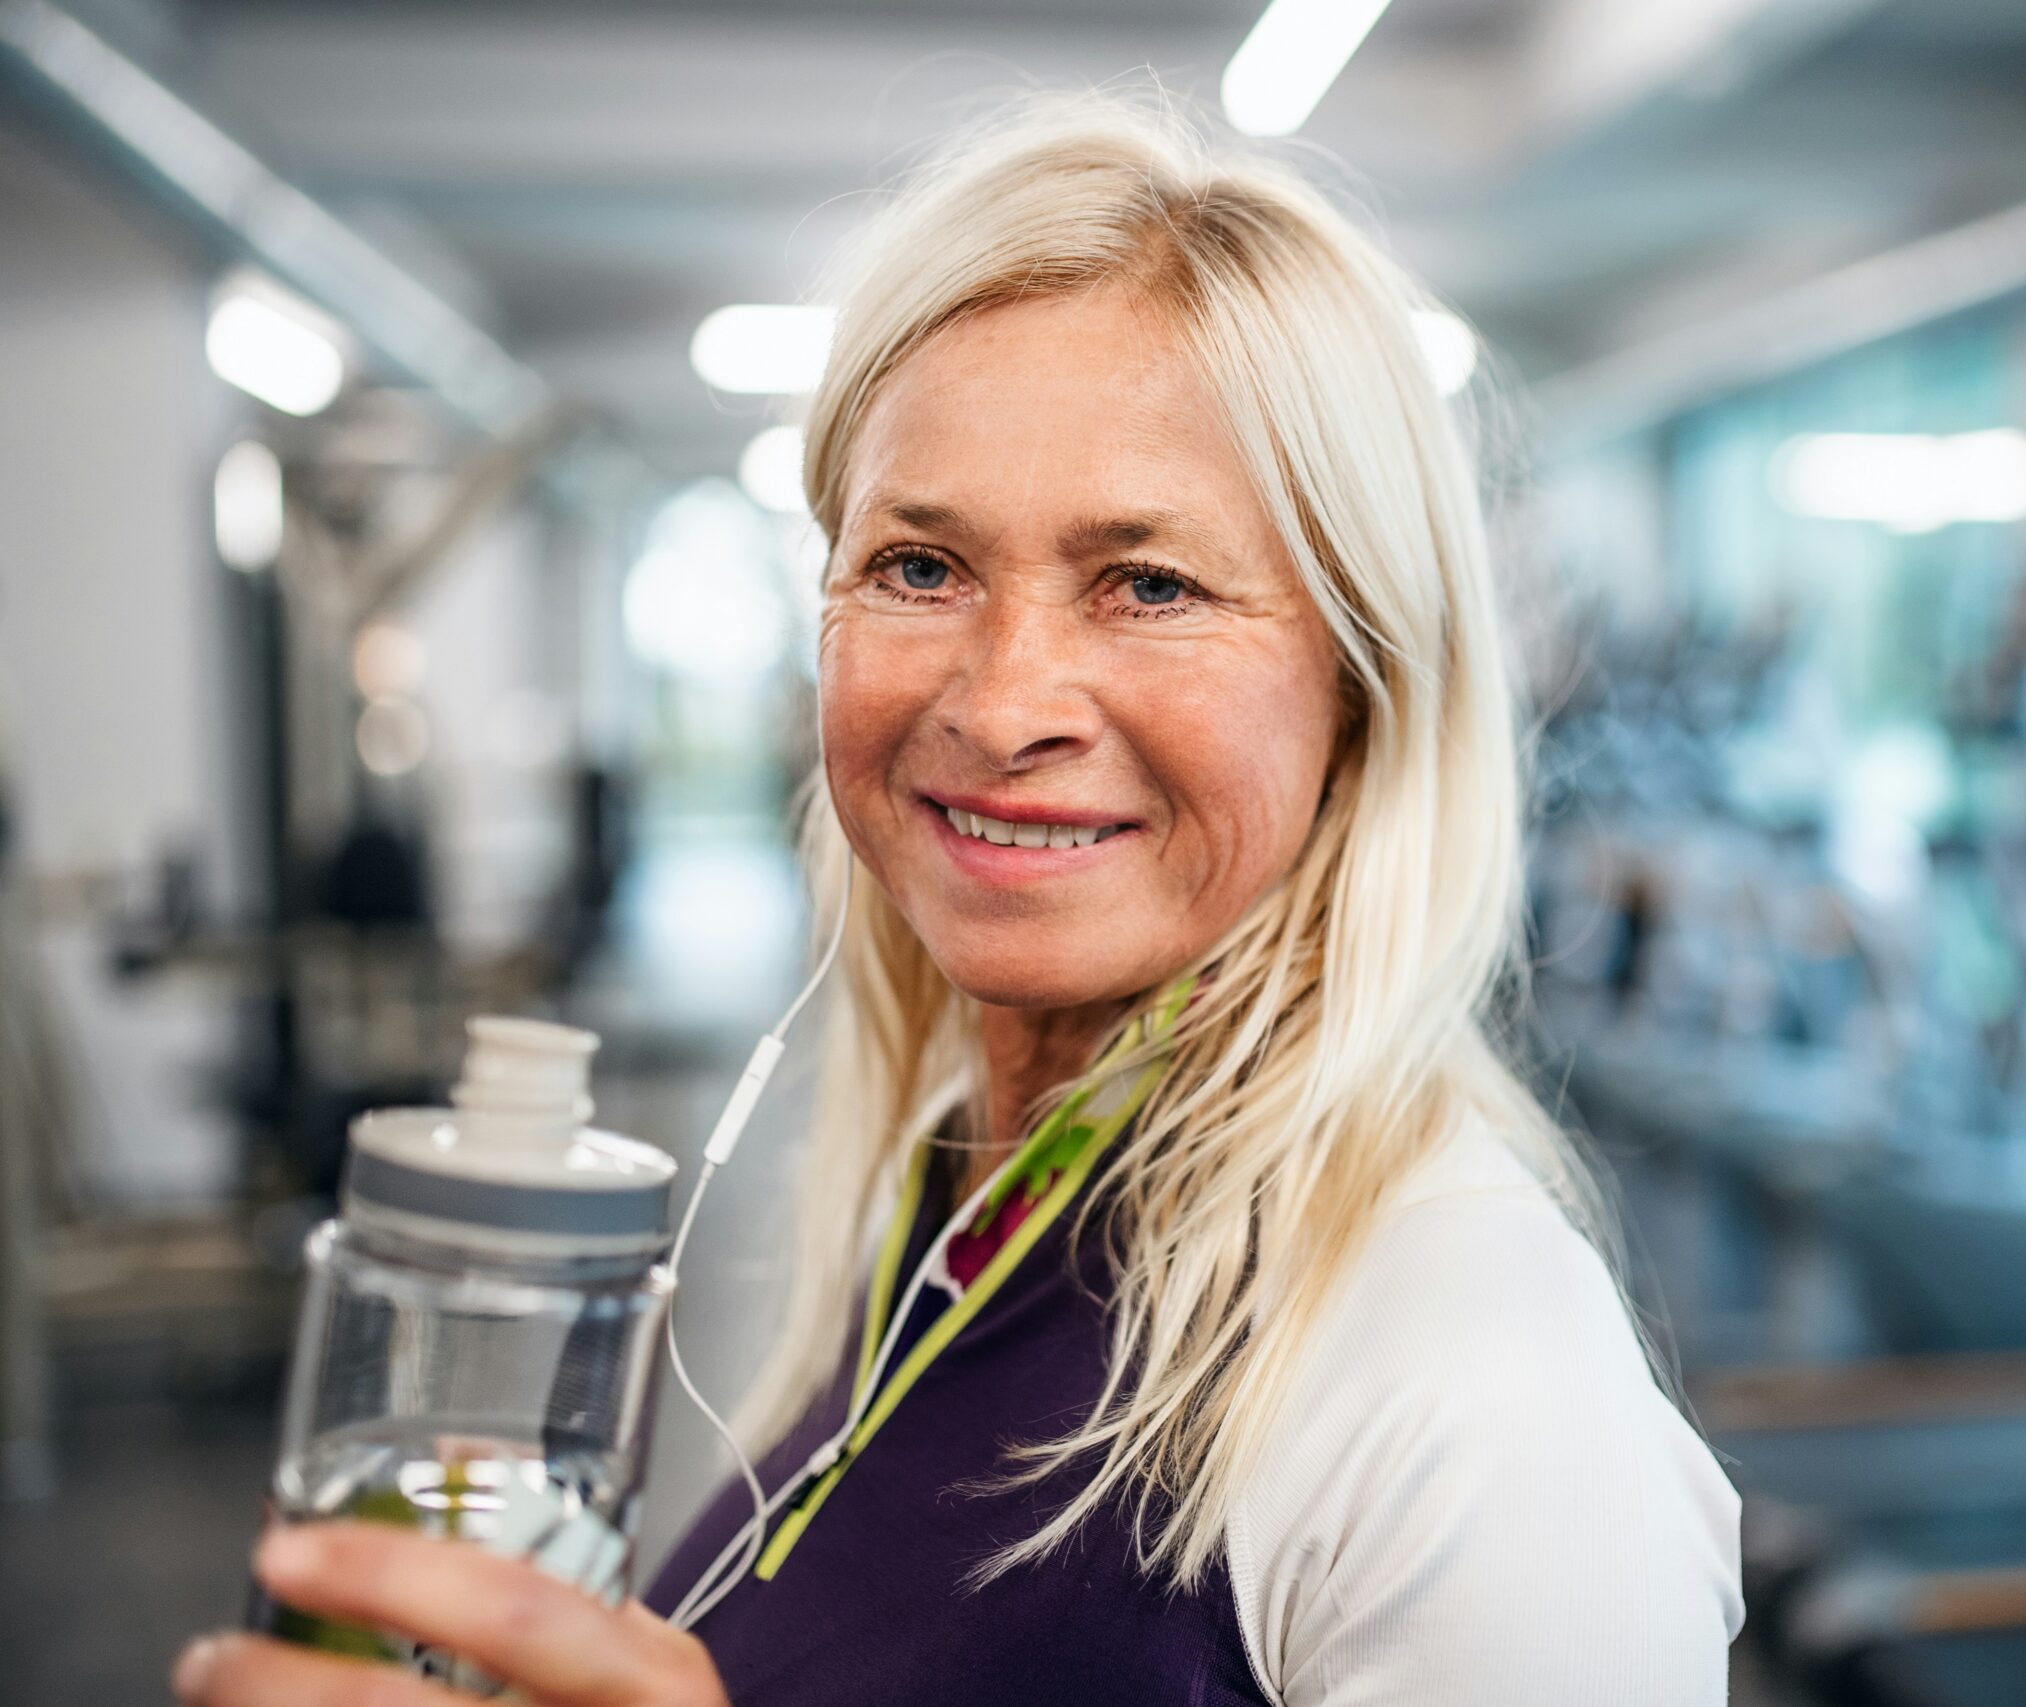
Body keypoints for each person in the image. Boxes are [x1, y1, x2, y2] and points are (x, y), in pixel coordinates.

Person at [171, 91, 1744, 1707]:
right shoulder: (972, 1201)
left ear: (1361, 686)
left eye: (1150, 583)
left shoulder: (1477, 1390)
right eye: (922, 567)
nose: (1002, 706)